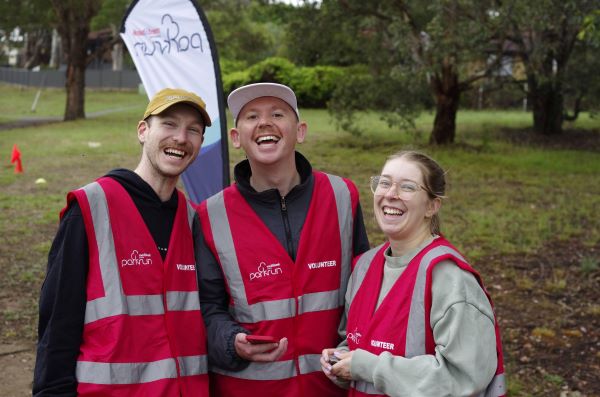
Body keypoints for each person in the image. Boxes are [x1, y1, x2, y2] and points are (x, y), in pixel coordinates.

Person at [33, 88, 212, 396]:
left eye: (193, 130)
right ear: (143, 131)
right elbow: (58, 320)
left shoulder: (193, 219)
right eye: (169, 124)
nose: (181, 138)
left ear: (199, 144)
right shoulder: (93, 205)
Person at [195, 82, 370, 397]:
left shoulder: (342, 196)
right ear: (236, 138)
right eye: (251, 116)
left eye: (277, 113)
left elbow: (365, 292)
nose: (264, 123)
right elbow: (206, 306)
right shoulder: (211, 215)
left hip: (331, 388)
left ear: (300, 131)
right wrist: (230, 341)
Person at [321, 150, 506, 397]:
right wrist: (341, 361)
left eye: (407, 187)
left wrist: (368, 366)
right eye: (384, 183)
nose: (390, 194)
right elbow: (356, 343)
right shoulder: (364, 267)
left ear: (432, 205)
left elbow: (465, 377)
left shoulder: (450, 278)